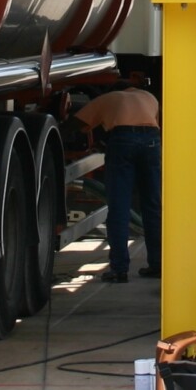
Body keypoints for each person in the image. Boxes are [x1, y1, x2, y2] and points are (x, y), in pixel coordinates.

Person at [71, 80, 162, 283]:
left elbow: (77, 126)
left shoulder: (108, 98)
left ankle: (119, 269)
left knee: (119, 207)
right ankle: (157, 265)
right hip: (152, 141)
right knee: (152, 206)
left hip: (123, 140)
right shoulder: (150, 97)